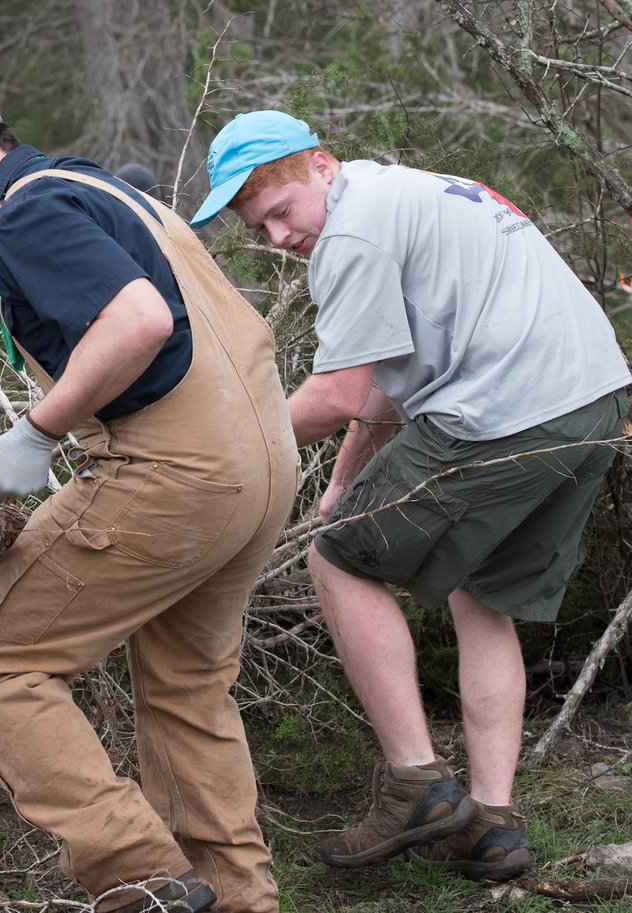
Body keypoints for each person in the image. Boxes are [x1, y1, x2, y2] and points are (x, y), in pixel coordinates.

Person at [0, 87, 298, 913]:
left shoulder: (27, 211)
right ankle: (239, 899)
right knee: (187, 690)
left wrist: (34, 436)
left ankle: (137, 873)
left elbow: (137, 320)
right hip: (262, 471)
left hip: (174, 471)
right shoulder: (107, 188)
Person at [191, 110, 631, 882]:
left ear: (320, 166)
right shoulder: (406, 193)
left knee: (337, 561)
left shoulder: (353, 235)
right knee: (480, 593)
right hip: (592, 402)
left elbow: (334, 396)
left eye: (281, 213)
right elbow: (382, 394)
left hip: (504, 409)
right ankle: (492, 825)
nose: (278, 239)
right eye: (259, 228)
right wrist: (341, 482)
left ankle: (416, 781)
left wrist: (220, 448)